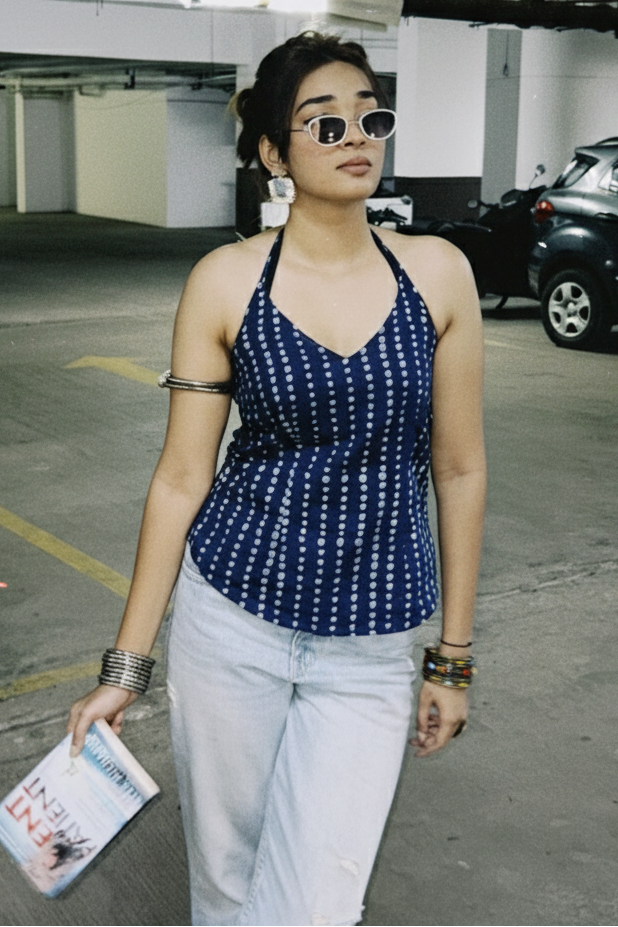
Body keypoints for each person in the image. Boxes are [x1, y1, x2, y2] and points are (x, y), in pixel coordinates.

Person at [68, 32, 486, 927]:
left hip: (371, 642)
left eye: (370, 117)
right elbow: (182, 478)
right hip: (234, 623)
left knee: (318, 897)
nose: (355, 136)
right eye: (321, 122)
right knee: (227, 881)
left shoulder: (438, 273)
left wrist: (451, 657)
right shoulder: (225, 282)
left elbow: (458, 468)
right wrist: (125, 667)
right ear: (273, 151)